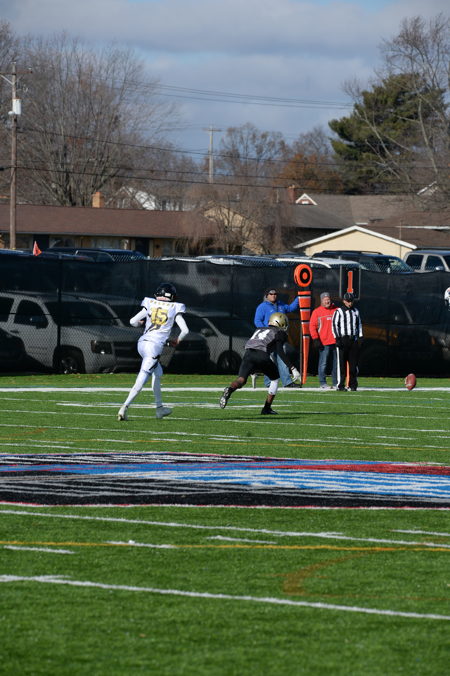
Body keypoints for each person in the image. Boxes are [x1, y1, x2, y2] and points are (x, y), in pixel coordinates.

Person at [117, 282, 189, 420]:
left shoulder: (150, 303)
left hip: (142, 343)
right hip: (154, 347)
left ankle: (159, 408)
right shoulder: (175, 307)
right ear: (171, 295)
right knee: (142, 378)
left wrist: (139, 324)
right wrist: (177, 340)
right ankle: (124, 408)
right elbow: (185, 330)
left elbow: (132, 321)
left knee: (158, 372)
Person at [219, 312, 301, 415]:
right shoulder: (279, 332)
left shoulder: (259, 329)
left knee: (241, 380)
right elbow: (280, 352)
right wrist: (293, 368)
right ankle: (267, 408)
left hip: (248, 354)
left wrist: (254, 369)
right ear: (280, 323)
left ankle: (230, 389)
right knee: (275, 379)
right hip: (261, 355)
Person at [254, 287, 301, 388]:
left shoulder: (281, 304)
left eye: (275, 294)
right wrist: (266, 331)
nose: (274, 295)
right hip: (269, 338)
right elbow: (257, 321)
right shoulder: (262, 307)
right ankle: (268, 383)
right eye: (271, 294)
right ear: (266, 296)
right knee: (270, 360)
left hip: (280, 337)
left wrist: (299, 297)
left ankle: (287, 382)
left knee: (282, 359)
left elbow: (291, 308)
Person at [332, 292, 363, 391]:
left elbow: (359, 324)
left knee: (353, 365)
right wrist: (337, 338)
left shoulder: (356, 311)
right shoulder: (339, 311)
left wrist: (360, 337)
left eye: (351, 301)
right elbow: (334, 325)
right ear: (344, 301)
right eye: (348, 301)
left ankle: (353, 384)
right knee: (341, 364)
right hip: (343, 339)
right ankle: (340, 385)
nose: (350, 303)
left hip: (353, 339)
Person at [310, 291, 337, 389]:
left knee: (336, 364)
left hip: (336, 341)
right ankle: (323, 383)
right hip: (323, 342)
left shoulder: (336, 310)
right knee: (323, 363)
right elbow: (312, 326)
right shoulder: (317, 312)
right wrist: (315, 339)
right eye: (325, 300)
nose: (327, 301)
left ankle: (336, 383)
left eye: (328, 299)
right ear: (321, 301)